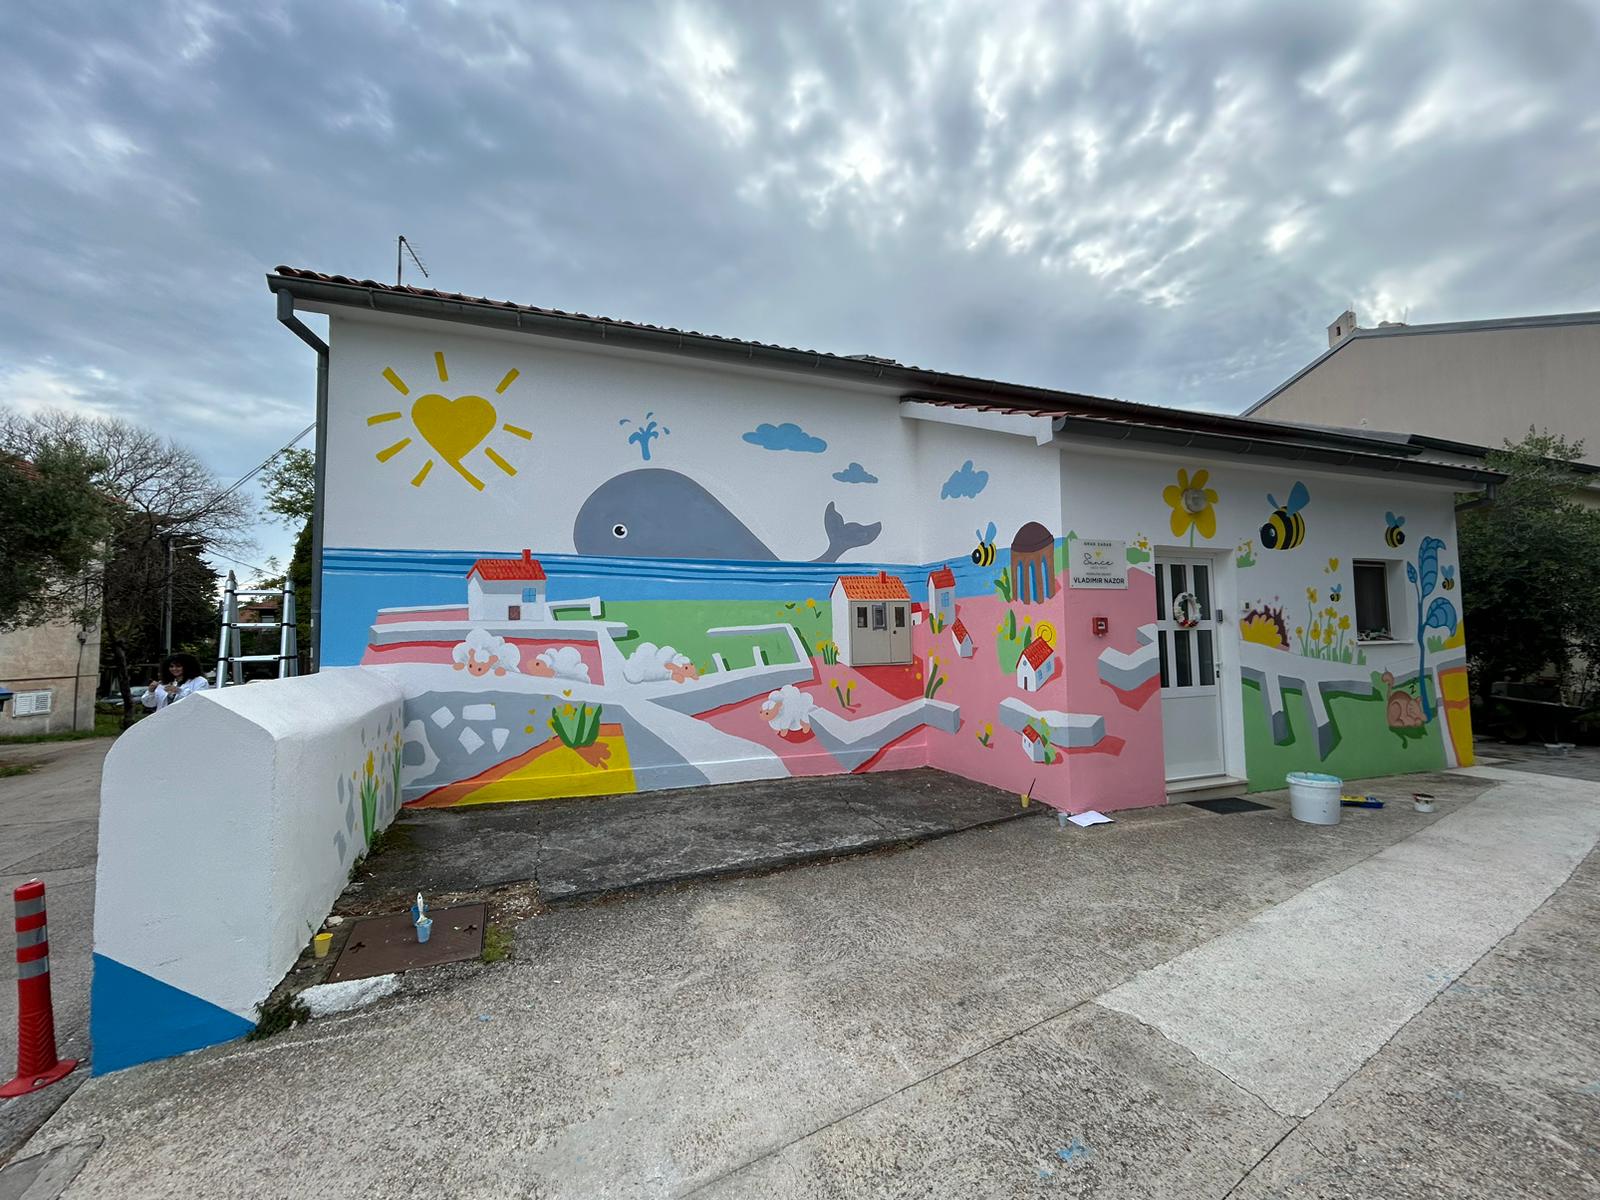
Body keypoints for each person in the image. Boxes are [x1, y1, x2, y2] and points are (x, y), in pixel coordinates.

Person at [141, 652, 211, 712]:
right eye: (171, 666)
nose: (174, 669)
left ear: (188, 667)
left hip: (187, 719)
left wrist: (179, 691)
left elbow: (199, 701)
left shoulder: (200, 681)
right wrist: (151, 692)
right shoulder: (163, 683)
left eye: (178, 666)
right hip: (165, 719)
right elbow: (150, 704)